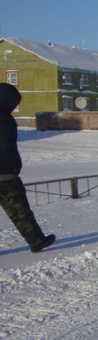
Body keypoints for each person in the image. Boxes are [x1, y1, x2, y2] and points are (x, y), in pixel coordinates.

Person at [0, 84, 55, 253]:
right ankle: (36, 240)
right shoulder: (4, 119)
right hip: (4, 173)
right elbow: (4, 145)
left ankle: (37, 240)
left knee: (19, 209)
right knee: (19, 210)